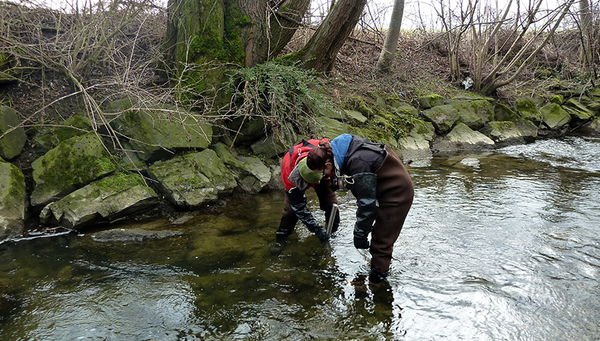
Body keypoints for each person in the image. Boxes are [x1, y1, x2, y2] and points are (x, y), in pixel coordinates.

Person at [306, 133, 414, 283]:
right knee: (378, 235)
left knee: (381, 243)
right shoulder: (343, 149)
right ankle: (377, 273)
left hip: (397, 194)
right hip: (384, 187)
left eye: (322, 172)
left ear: (328, 165)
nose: (324, 176)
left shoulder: (357, 161)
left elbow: (366, 206)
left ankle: (378, 283)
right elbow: (364, 178)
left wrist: (360, 235)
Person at [276, 138, 340, 242]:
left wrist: (334, 179)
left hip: (322, 170)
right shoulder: (290, 176)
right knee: (290, 211)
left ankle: (333, 232)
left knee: (331, 203)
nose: (317, 184)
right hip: (297, 176)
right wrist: (316, 229)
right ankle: (282, 236)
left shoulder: (325, 155)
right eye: (313, 183)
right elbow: (299, 207)